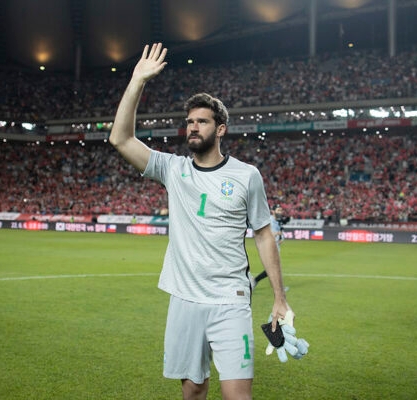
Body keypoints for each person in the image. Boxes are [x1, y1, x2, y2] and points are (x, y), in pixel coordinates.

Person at [109, 43, 295, 400]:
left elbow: (264, 235)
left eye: (202, 121)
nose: (193, 127)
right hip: (185, 299)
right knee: (193, 390)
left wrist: (279, 297)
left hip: (232, 299)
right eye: (190, 122)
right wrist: (137, 80)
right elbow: (120, 138)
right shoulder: (173, 169)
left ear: (220, 129)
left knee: (237, 395)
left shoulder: (246, 175)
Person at [250, 204, 290, 290]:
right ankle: (255, 280)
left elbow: (279, 233)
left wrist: (281, 238)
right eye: (278, 210)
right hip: (269, 248)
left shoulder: (278, 221)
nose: (280, 212)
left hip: (276, 246)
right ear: (273, 211)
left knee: (273, 268)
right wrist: (276, 234)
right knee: (273, 268)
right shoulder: (269, 221)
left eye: (281, 210)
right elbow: (263, 234)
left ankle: (256, 281)